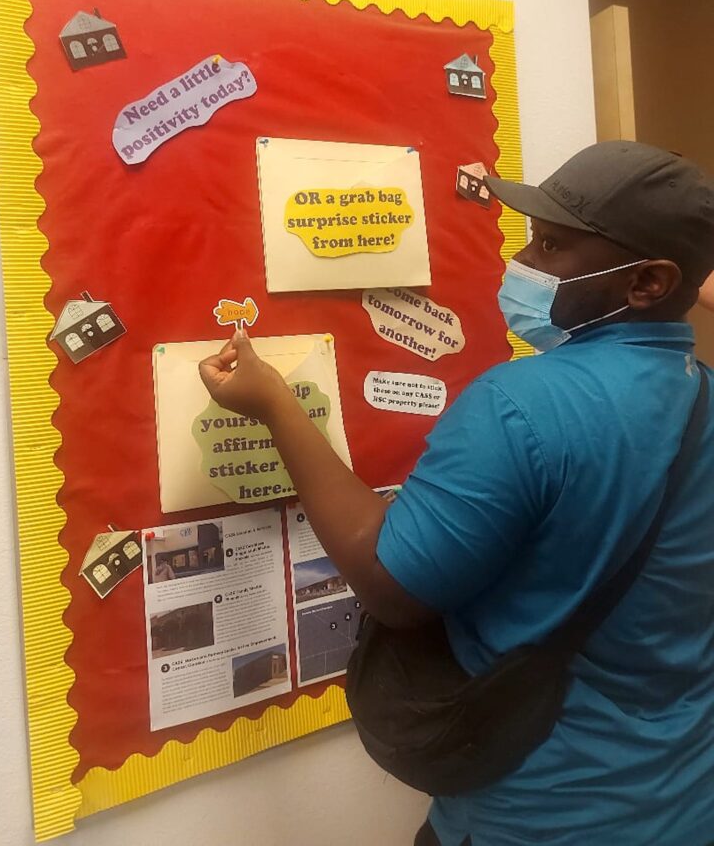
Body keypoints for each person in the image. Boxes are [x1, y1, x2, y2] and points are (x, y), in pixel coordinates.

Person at [199, 141, 714, 846]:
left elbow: (391, 584)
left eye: (554, 247)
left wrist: (278, 408)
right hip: (684, 799)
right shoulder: (704, 397)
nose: (524, 265)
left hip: (544, 817)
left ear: (648, 283)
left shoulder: (522, 402)